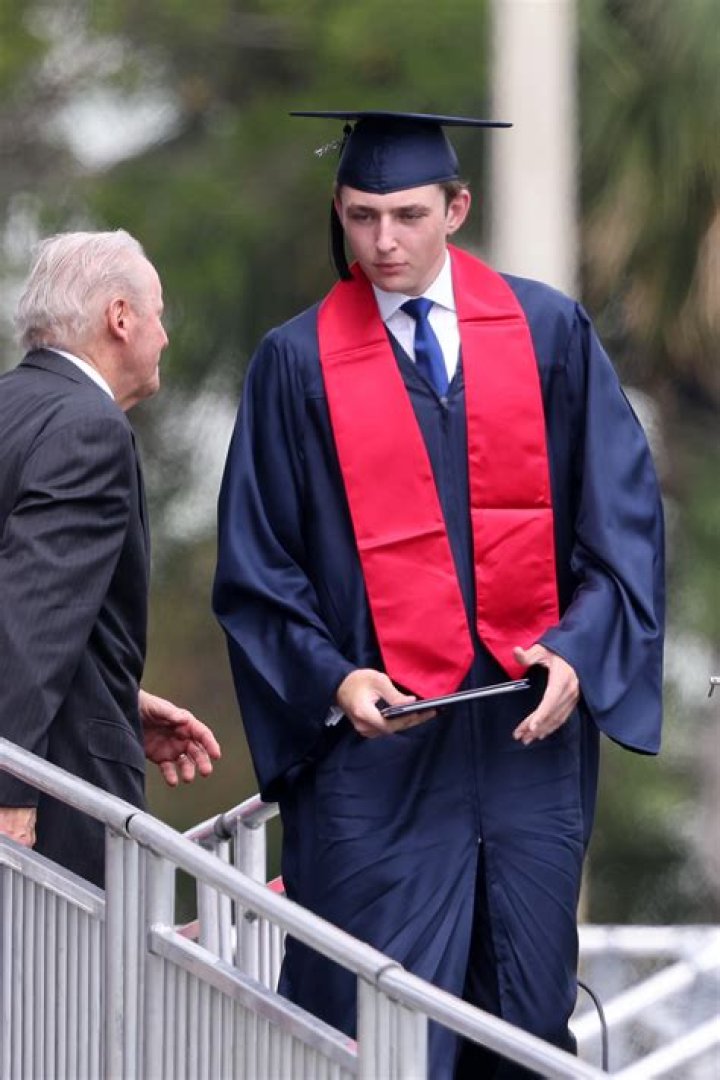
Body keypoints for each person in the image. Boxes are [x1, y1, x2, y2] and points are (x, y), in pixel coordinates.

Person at [213, 111, 664, 1078]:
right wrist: (333, 682)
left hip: (521, 746)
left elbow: (620, 524)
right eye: (362, 215)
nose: (383, 242)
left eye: (408, 215)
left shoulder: (546, 333)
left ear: (457, 209)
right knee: (371, 1027)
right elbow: (259, 569)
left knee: (525, 1014)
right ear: (339, 211)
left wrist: (580, 651)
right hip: (376, 762)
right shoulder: (295, 365)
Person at [0, 229, 221, 889]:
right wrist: (13, 785)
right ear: (119, 318)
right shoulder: (89, 429)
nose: (164, 335)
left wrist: (115, 698)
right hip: (50, 803)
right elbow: (33, 615)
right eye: (158, 312)